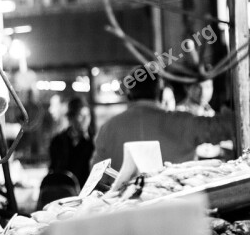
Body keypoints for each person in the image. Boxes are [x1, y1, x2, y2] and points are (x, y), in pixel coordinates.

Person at [92, 67, 234, 171]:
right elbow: (227, 126)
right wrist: (230, 101)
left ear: (129, 95)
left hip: (126, 210)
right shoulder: (181, 122)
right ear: (160, 93)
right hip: (179, 208)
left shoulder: (108, 129)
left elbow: (97, 175)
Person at [48, 97, 94, 189]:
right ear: (71, 117)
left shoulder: (93, 142)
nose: (86, 120)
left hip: (87, 194)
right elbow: (53, 169)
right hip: (63, 192)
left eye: (88, 115)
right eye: (81, 115)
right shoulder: (58, 141)